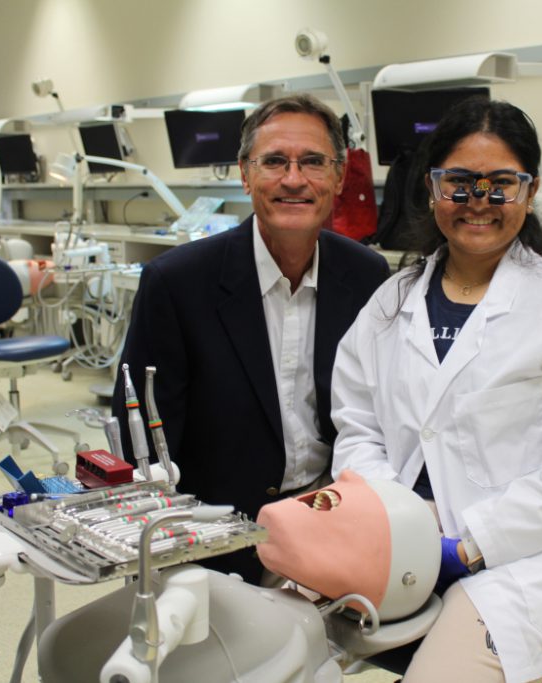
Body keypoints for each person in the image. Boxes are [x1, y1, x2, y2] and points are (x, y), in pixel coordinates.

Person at [330, 97, 542, 683]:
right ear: (431, 188)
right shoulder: (391, 301)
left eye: (501, 184)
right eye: (459, 183)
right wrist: (392, 517)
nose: (479, 202)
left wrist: (469, 545)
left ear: (530, 192)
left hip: (536, 555)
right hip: (403, 534)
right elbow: (358, 424)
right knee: (279, 635)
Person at [113, 93, 390, 584]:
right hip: (218, 534)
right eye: (274, 162)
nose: (293, 179)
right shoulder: (177, 284)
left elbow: (379, 411)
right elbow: (143, 445)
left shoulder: (366, 276)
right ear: (245, 174)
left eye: (312, 162)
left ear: (340, 177)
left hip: (331, 516)